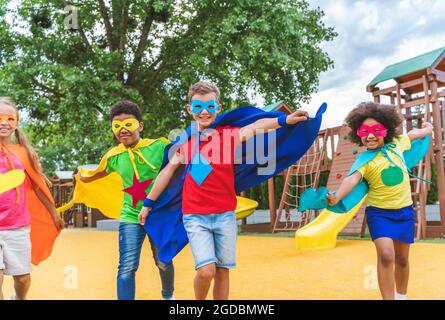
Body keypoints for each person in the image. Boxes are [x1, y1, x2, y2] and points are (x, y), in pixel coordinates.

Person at [139, 81, 309, 300]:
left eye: (210, 106)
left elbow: (257, 126)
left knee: (222, 270)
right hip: (194, 216)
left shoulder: (228, 136)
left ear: (218, 108)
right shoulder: (186, 143)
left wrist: (284, 119)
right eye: (198, 107)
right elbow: (167, 173)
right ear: (189, 109)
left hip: (225, 215)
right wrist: (148, 203)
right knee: (205, 271)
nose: (204, 112)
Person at [326, 102, 433, 300]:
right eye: (364, 131)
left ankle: (402, 296)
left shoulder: (398, 143)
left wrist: (428, 128)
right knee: (386, 255)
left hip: (404, 211)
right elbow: (351, 179)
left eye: (376, 130)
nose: (370, 135)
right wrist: (337, 196)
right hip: (380, 213)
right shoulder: (364, 161)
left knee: (402, 259)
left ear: (387, 130)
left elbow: (414, 134)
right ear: (359, 134)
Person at [78, 100, 174, 300]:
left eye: (128, 124)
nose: (122, 130)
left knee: (163, 261)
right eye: (117, 126)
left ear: (140, 125)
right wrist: (83, 178)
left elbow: (181, 164)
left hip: (159, 214)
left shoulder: (160, 146)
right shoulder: (114, 155)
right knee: (127, 266)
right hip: (131, 216)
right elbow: (99, 172)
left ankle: (168, 296)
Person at [0, 97, 63, 300]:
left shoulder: (23, 153)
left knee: (22, 279)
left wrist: (54, 214)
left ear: (16, 123)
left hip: (17, 226)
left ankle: (19, 298)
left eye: (10, 118)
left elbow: (38, 186)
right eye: (0, 117)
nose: (4, 122)